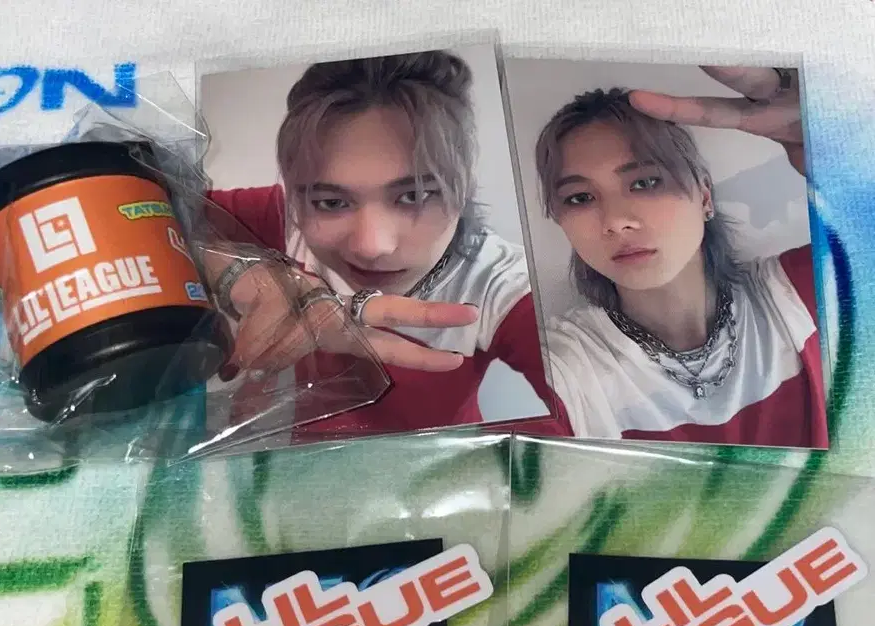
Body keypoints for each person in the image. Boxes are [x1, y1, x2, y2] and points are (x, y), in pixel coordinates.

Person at [202, 50, 556, 440]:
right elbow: (156, 206)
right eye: (331, 202)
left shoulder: (500, 286)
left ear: (465, 186)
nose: (372, 246)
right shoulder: (283, 218)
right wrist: (223, 268)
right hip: (303, 460)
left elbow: (602, 428)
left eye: (414, 195)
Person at [534, 66, 828, 448]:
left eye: (645, 182)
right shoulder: (561, 370)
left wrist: (842, 140)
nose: (616, 221)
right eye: (580, 198)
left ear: (704, 196)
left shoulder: (803, 294)